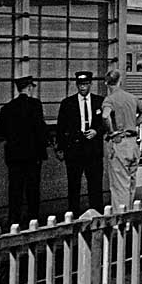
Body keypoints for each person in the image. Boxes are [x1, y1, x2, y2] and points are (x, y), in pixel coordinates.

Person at [0, 75, 48, 226]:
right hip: (33, 155)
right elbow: (40, 129)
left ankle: (14, 219)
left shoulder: (7, 108)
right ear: (30, 88)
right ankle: (33, 219)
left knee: (15, 188)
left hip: (14, 156)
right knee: (32, 188)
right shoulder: (35, 105)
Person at [101, 69, 142, 211]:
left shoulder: (110, 99)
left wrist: (112, 132)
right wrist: (133, 124)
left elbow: (105, 116)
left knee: (119, 186)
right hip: (133, 144)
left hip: (119, 144)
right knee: (130, 183)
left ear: (106, 83)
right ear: (120, 81)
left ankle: (120, 224)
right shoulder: (131, 97)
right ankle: (129, 218)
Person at [55, 71, 105, 214]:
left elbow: (106, 123)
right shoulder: (67, 103)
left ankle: (96, 213)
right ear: (76, 85)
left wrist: (96, 131)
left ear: (90, 84)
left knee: (95, 184)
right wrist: (60, 148)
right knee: (74, 184)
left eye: (85, 84)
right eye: (80, 85)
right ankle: (74, 215)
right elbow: (61, 127)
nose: (82, 88)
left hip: (93, 149)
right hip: (74, 150)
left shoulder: (99, 101)